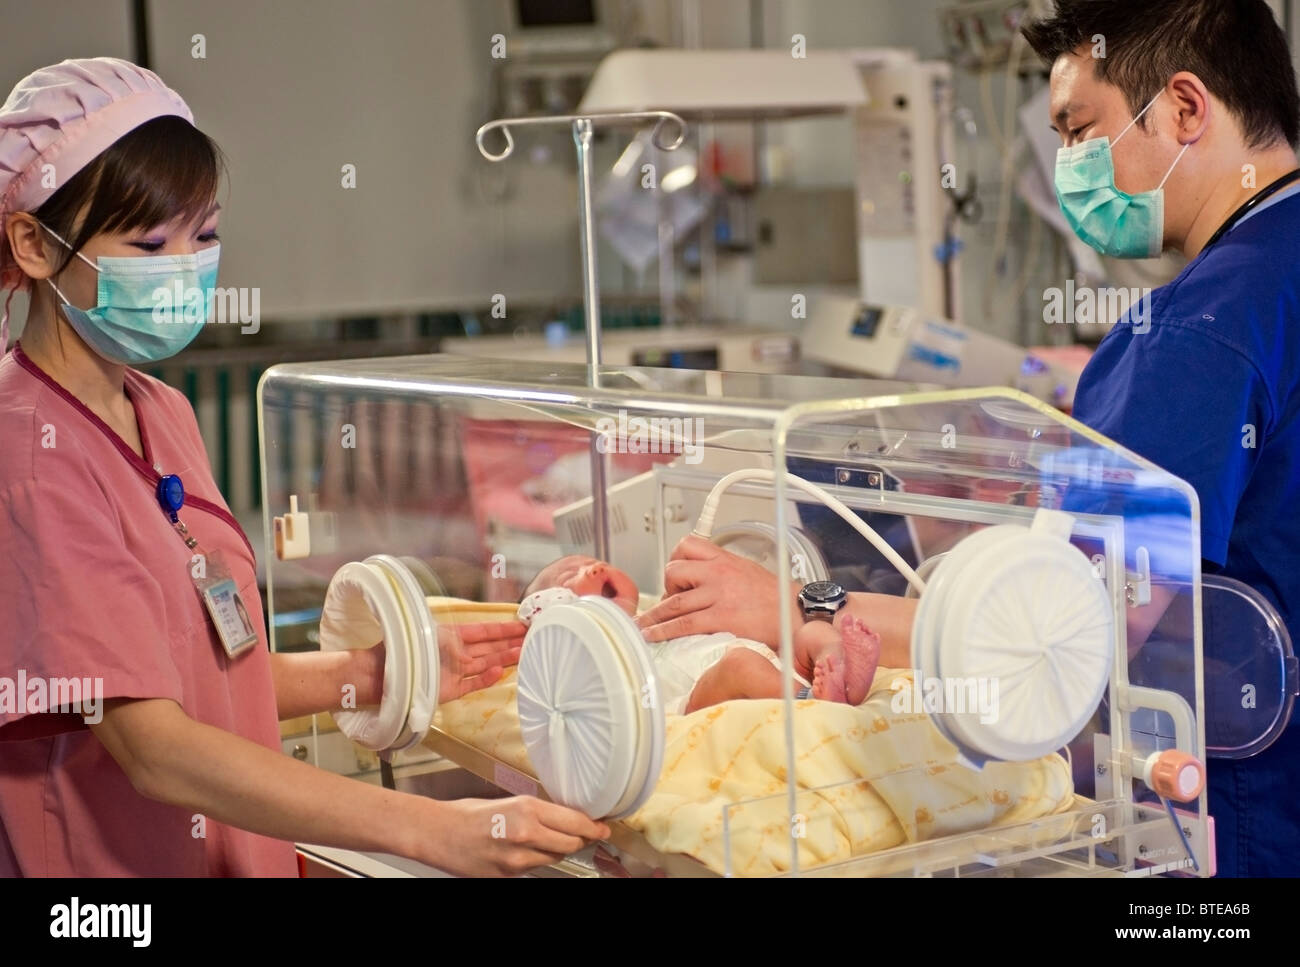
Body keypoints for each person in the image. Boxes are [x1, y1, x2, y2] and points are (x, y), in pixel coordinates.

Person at [639, 0, 1300, 877]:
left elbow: (1057, 636)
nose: (1069, 166)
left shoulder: (1196, 332)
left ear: (1185, 107)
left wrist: (797, 610)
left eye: (1079, 130)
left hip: (1246, 828)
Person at [0, 58, 607, 877]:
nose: (185, 267)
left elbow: (204, 667)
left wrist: (373, 673)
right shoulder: (30, 459)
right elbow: (156, 748)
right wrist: (428, 829)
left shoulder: (157, 409)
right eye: (149, 244)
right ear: (35, 244)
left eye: (204, 235)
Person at [522, 555, 882, 711]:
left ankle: (842, 673)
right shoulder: (591, 649)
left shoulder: (658, 612)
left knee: (810, 631)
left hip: (768, 668)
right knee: (740, 665)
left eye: (591, 561)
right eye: (570, 575)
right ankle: (811, 703)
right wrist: (554, 610)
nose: (592, 566)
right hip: (698, 699)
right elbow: (548, 629)